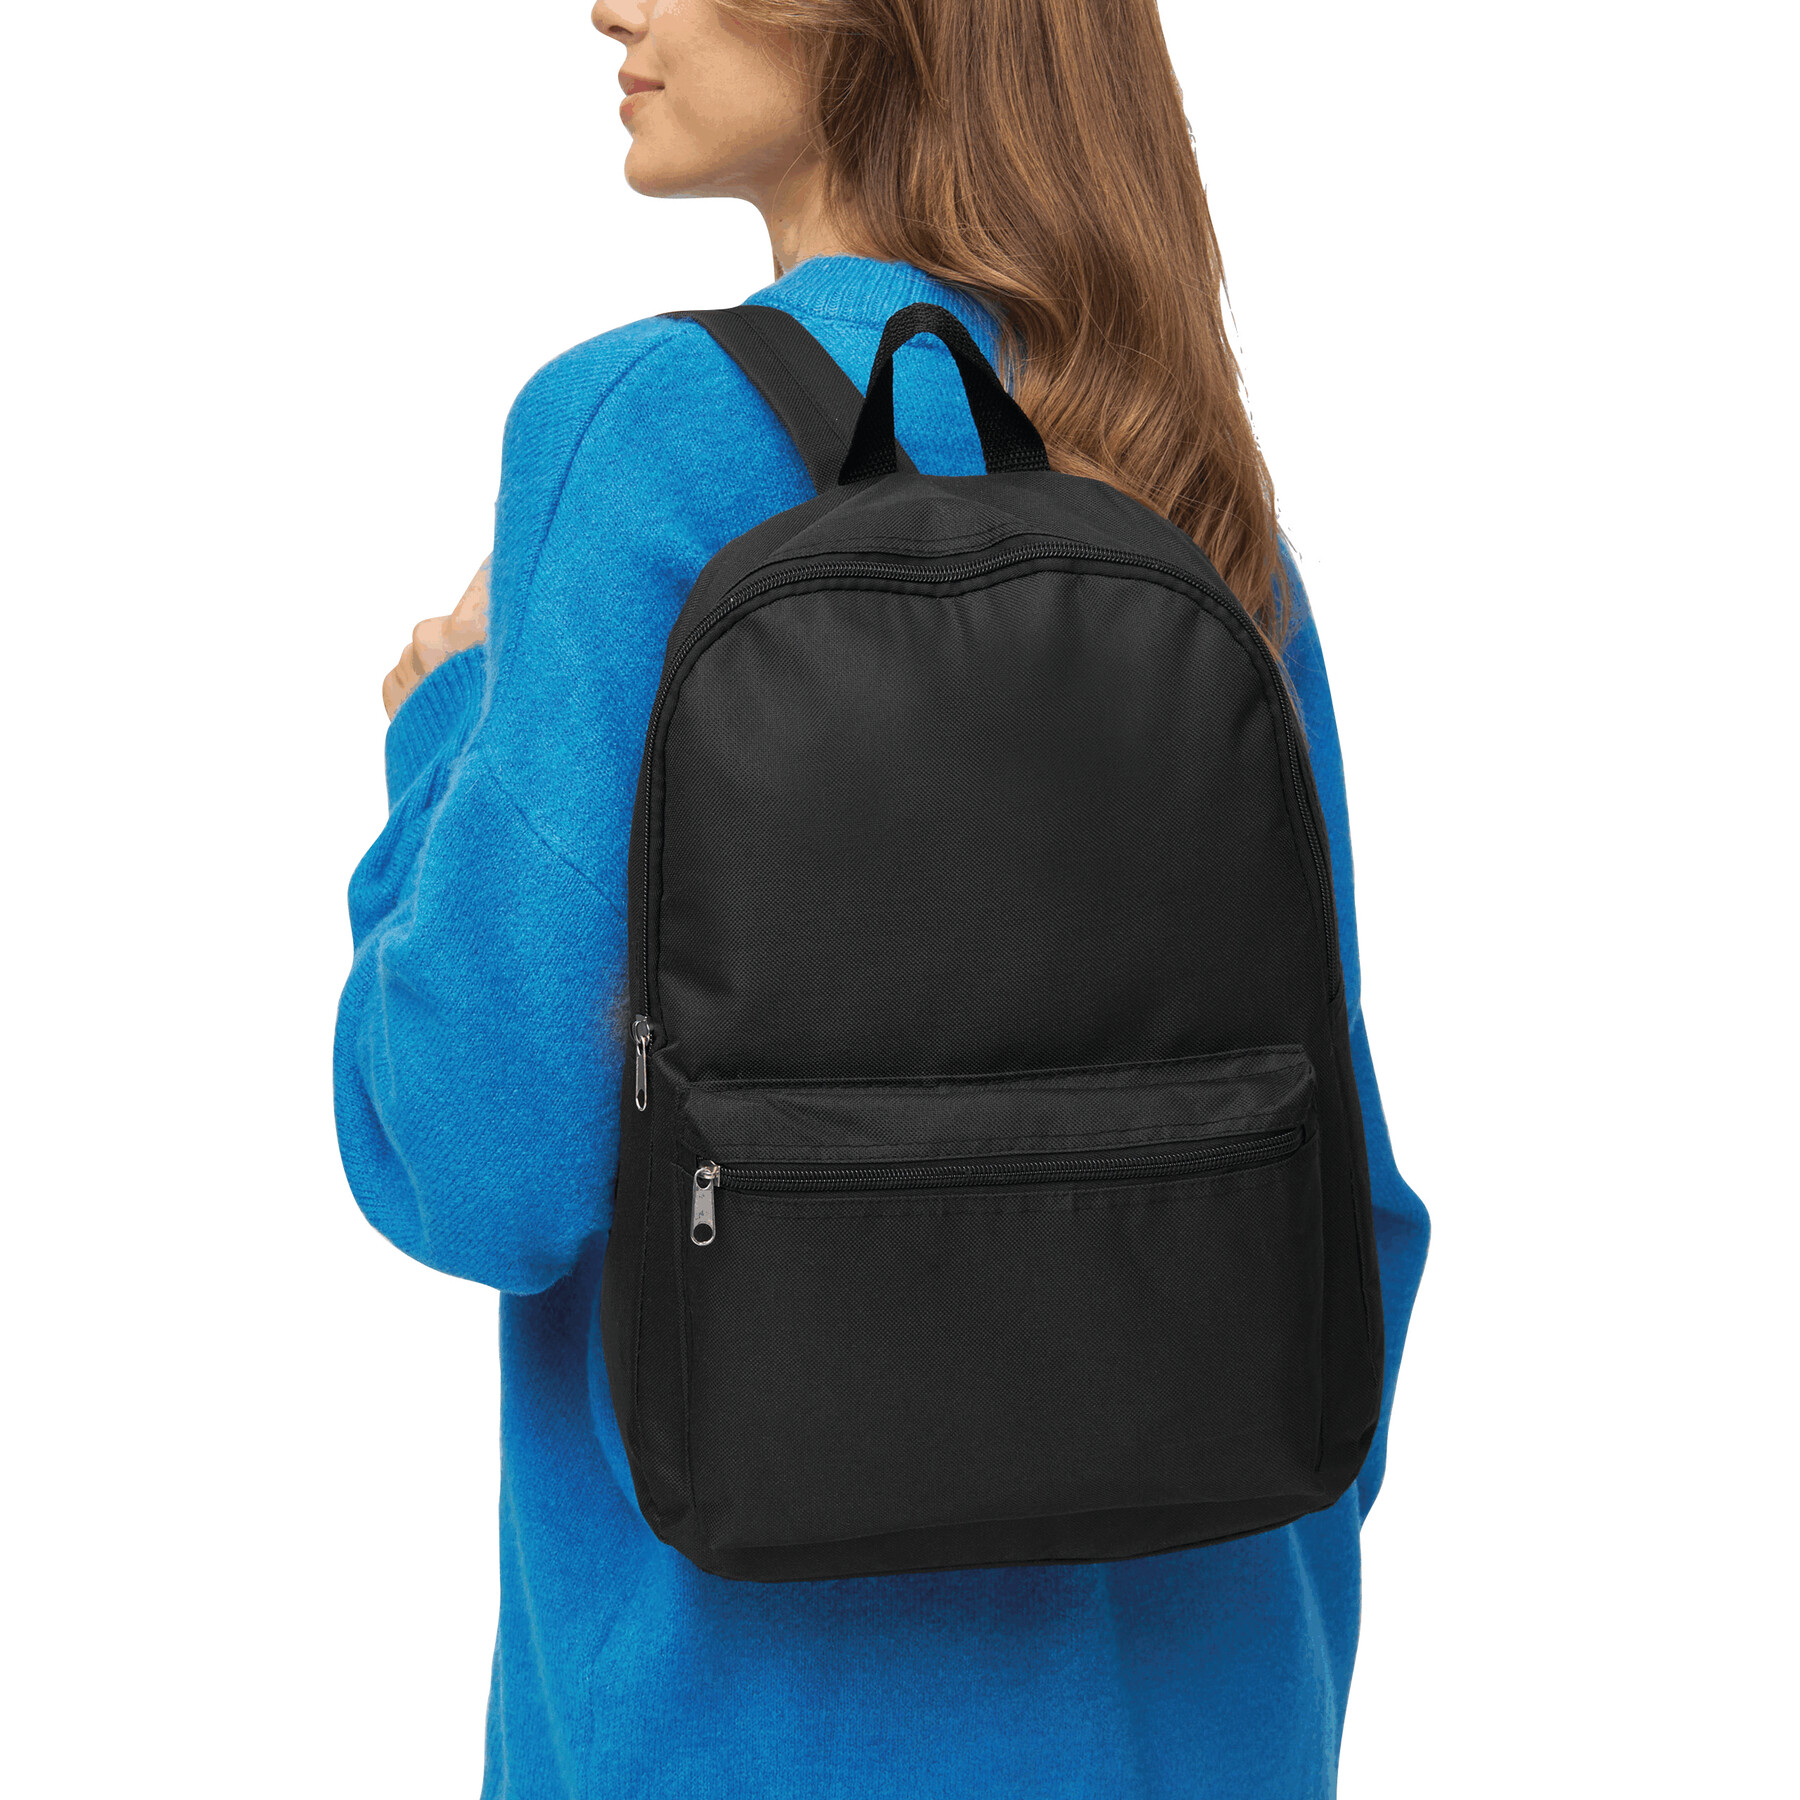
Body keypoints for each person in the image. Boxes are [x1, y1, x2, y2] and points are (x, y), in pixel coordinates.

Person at [334, 1, 1430, 1792]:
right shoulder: (1191, 488)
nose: (611, 5)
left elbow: (476, 1159)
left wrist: (440, 727)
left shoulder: (643, 440)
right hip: (1206, 1727)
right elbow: (1349, 1210)